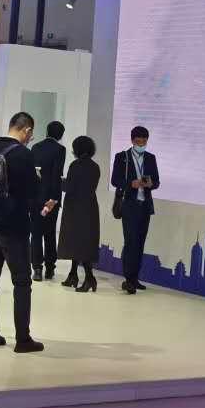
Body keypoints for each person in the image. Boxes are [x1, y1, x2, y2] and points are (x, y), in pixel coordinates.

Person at [0, 111, 53, 353]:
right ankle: (23, 340)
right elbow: (32, 193)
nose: (30, 138)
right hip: (13, 227)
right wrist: (44, 202)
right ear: (26, 130)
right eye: (30, 133)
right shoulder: (22, 155)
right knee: (21, 282)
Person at [111, 125, 160, 294]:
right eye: (139, 142)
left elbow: (157, 181)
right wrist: (130, 184)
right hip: (129, 205)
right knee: (130, 242)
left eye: (144, 142)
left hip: (145, 206)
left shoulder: (150, 158)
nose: (141, 145)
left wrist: (150, 184)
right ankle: (128, 279)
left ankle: (135, 278)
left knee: (140, 243)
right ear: (132, 140)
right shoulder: (122, 157)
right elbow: (115, 180)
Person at [58, 135, 101, 292]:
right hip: (90, 207)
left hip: (75, 208)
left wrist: (57, 181)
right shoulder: (95, 166)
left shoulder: (75, 165)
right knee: (83, 242)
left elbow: (69, 187)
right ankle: (73, 274)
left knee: (77, 242)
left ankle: (90, 278)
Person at [28, 121, 66, 281]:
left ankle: (37, 268)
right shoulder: (60, 149)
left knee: (36, 234)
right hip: (51, 199)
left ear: (47, 131)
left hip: (35, 197)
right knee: (50, 233)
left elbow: (31, 173)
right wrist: (54, 198)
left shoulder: (35, 147)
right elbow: (57, 175)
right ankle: (50, 268)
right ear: (61, 135)